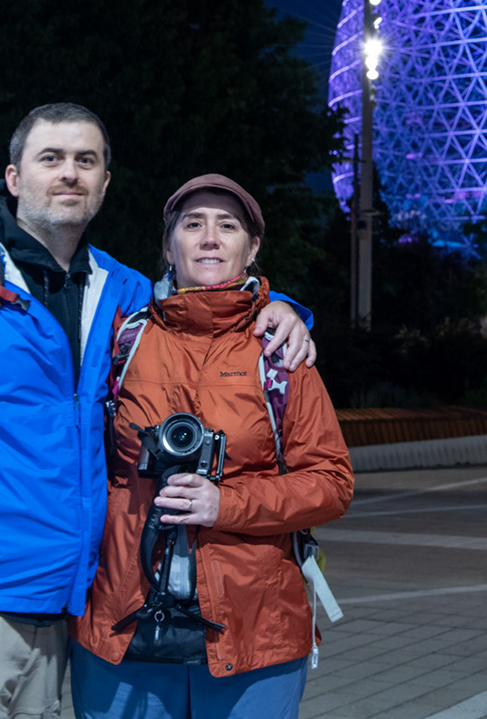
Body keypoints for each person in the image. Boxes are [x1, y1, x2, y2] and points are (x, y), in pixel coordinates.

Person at [0, 105, 315, 719]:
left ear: (103, 184)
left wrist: (280, 306)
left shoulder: (117, 289)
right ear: (14, 178)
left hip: (62, 609)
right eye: (51, 158)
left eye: (85, 161)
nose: (69, 173)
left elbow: (204, 301)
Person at [72, 173, 353, 719]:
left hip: (255, 628)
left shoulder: (279, 355)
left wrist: (225, 506)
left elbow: (332, 483)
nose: (209, 238)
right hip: (121, 619)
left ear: (251, 250)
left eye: (228, 226)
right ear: (167, 247)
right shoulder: (120, 340)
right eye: (192, 224)